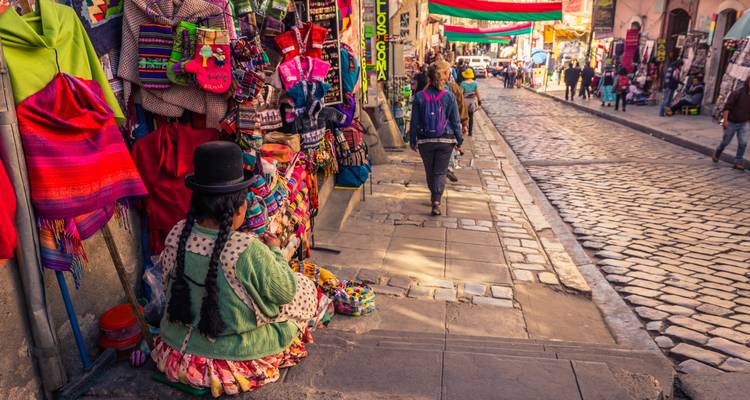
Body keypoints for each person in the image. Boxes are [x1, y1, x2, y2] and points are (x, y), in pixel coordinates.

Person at [152, 141, 322, 397]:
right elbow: (285, 293)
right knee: (303, 293)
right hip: (229, 361)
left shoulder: (177, 233)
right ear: (239, 209)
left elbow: (167, 283)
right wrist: (275, 251)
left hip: (176, 353)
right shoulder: (246, 248)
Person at [409, 62, 463, 216]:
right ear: (445, 75)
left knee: (430, 172)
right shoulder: (449, 96)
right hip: (446, 141)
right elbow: (455, 121)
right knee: (440, 172)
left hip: (426, 140)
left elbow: (414, 121)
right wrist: (459, 140)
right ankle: (436, 201)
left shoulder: (419, 97)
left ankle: (434, 195)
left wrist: (412, 140)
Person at [713, 79, 750, 170]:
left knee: (743, 143)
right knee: (726, 141)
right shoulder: (737, 93)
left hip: (744, 122)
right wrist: (725, 121)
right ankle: (718, 151)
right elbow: (727, 108)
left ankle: (738, 162)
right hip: (732, 122)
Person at [460, 68, 481, 137]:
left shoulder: (463, 83)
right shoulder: (475, 83)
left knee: (465, 116)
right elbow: (477, 93)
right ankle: (470, 132)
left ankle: (464, 128)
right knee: (471, 117)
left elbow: (461, 93)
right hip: (472, 102)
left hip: (465, 101)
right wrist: (479, 100)